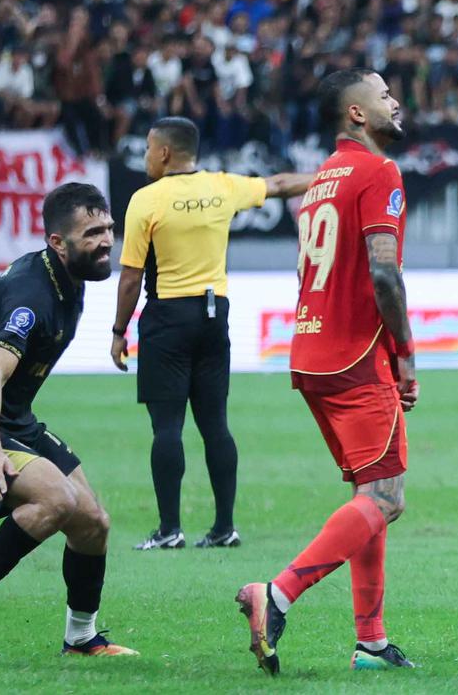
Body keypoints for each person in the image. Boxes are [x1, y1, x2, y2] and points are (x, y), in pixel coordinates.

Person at [235, 68, 419, 676]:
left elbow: (307, 273)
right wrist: (406, 352)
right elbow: (384, 273)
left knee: (368, 494)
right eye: (383, 93)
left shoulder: (321, 181)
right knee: (387, 498)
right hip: (356, 356)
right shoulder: (378, 171)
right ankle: (279, 594)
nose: (396, 99)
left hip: (311, 352)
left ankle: (371, 642)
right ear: (357, 115)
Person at [0, 183, 137, 661]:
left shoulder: (71, 278)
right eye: (92, 233)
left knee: (94, 523)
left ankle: (81, 638)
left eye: (108, 228)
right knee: (57, 500)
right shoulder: (33, 297)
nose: (107, 241)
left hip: (17, 418)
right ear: (57, 243)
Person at [111, 116, 311, 551]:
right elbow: (276, 185)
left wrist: (118, 330)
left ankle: (169, 530)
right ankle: (224, 527)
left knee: (167, 427)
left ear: (164, 153)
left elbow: (129, 278)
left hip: (167, 316)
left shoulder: (146, 200)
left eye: (148, 148)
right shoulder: (222, 187)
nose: (145, 156)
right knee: (216, 425)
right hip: (213, 314)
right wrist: (330, 177)